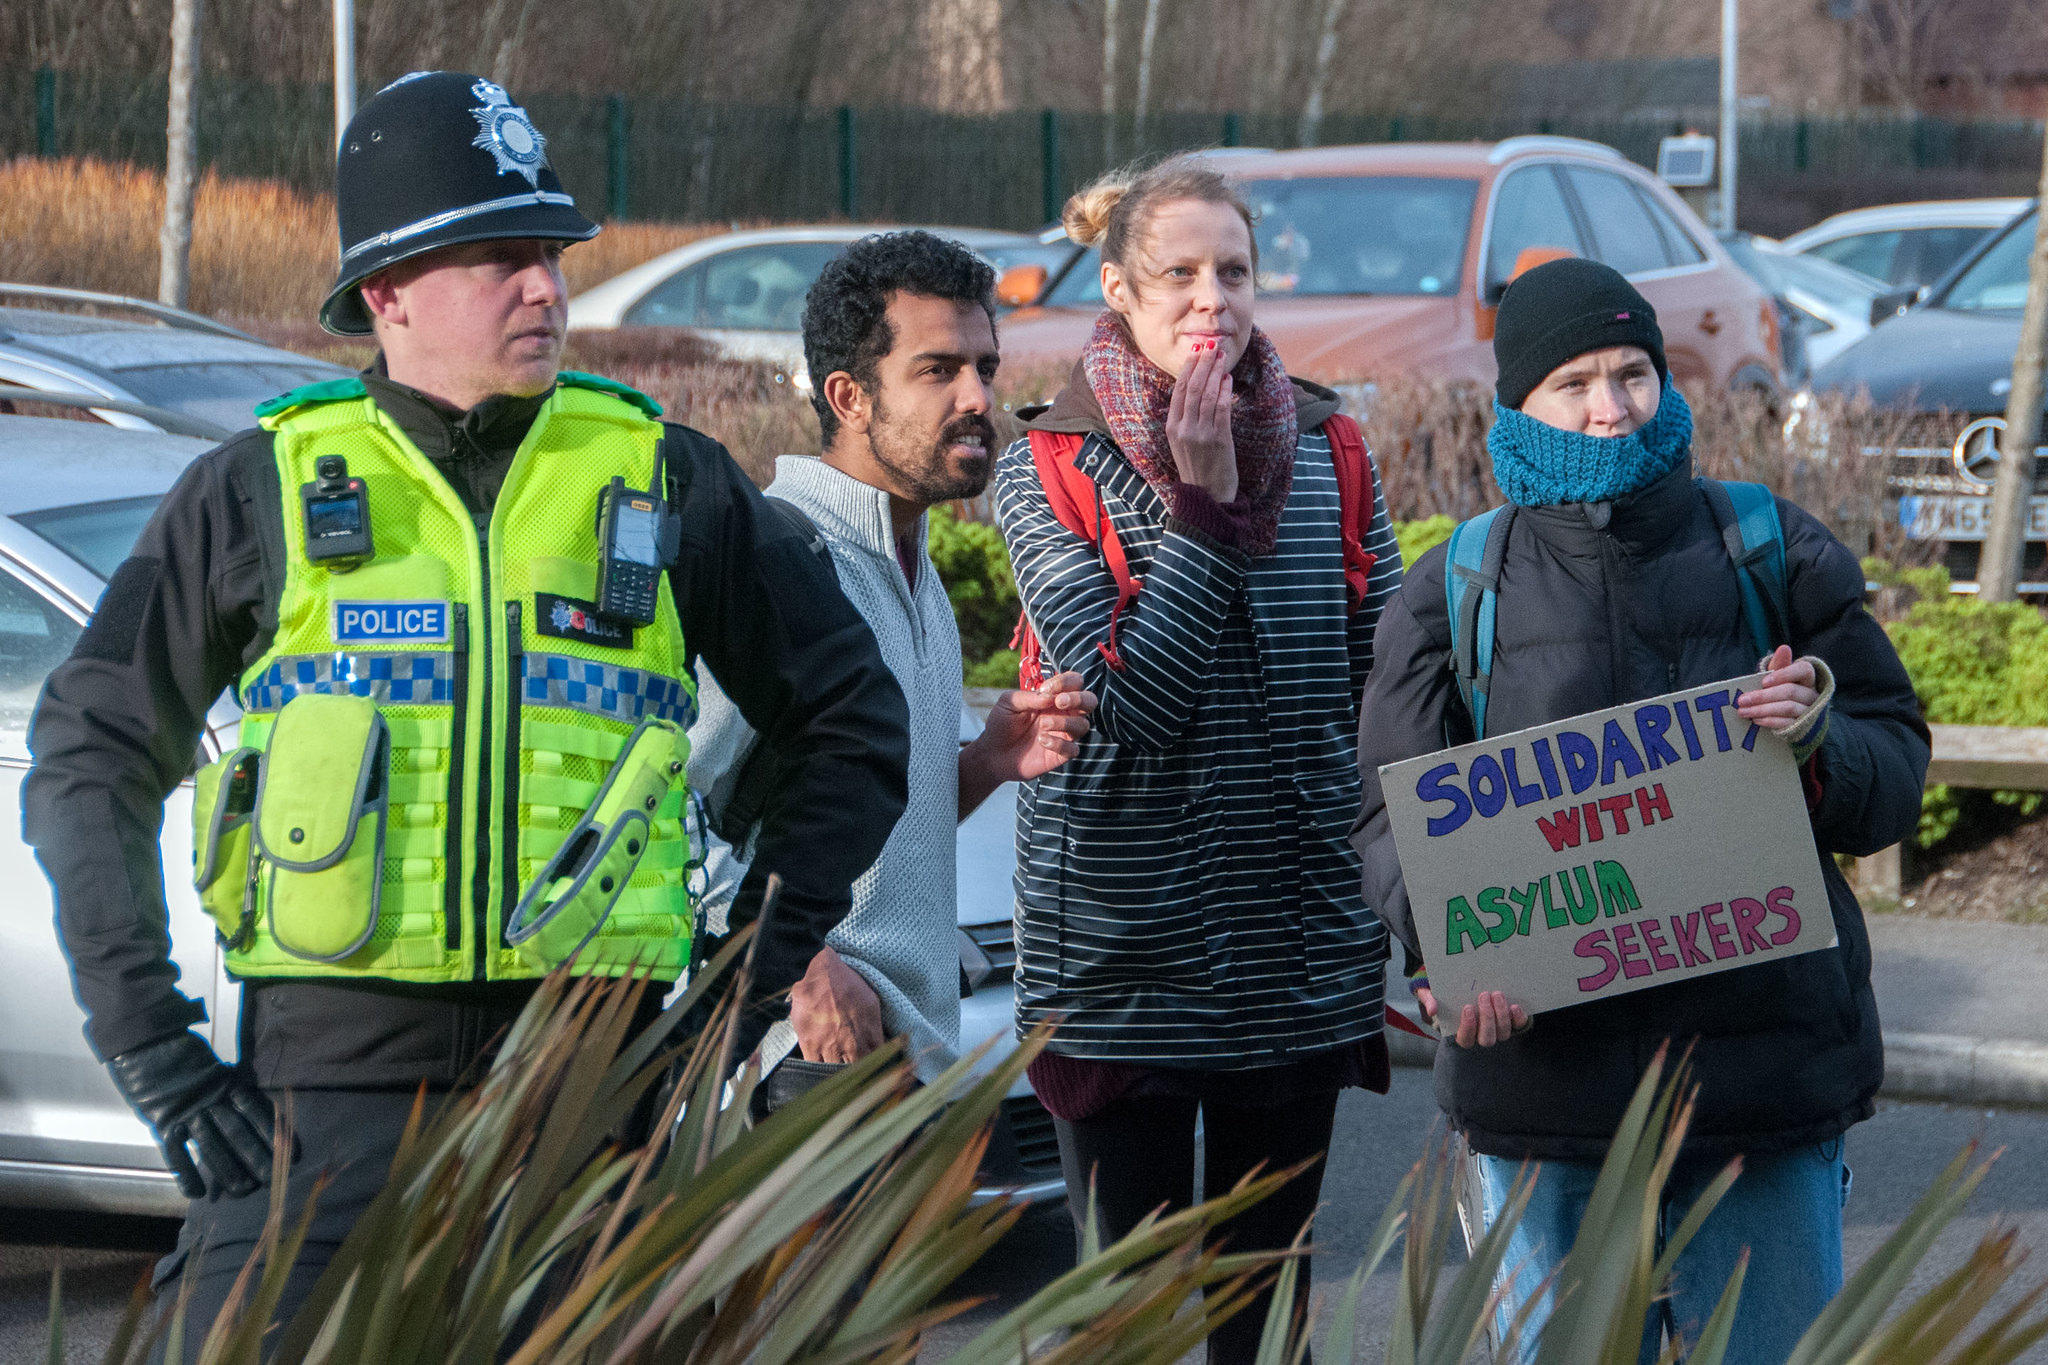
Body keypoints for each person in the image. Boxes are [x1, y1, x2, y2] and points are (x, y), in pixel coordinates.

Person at [23, 71, 909, 1353]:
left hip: (590, 1093)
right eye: (502, 259)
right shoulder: (258, 491)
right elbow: (85, 757)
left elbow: (854, 721)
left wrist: (743, 981)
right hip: (325, 1099)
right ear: (385, 293)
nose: (547, 286)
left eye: (549, 254)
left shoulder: (665, 478)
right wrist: (149, 1040)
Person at [1351, 257, 1930, 1363]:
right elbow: (1387, 814)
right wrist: (1445, 951)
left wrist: (1818, 738)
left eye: (1631, 374)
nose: (1609, 408)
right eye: (1571, 383)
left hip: (1758, 1097)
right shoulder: (1452, 591)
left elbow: (1893, 764)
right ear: (1514, 403)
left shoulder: (1768, 547)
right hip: (1543, 1102)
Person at [992, 157, 1403, 1365]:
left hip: (1295, 947)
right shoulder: (1050, 463)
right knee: (1120, 1321)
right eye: (1177, 274)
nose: (1208, 298)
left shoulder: (1333, 447)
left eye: (1233, 270)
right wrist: (1209, 510)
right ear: (1117, 289)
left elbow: (1380, 694)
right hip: (1125, 963)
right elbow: (1135, 705)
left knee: (1264, 1316)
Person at [687, 230, 1095, 1104]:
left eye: (985, 367)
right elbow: (675, 816)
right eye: (938, 369)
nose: (978, 397)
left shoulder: (917, 567)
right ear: (849, 396)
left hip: (909, 1061)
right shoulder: (781, 561)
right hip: (804, 1062)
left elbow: (863, 821)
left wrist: (987, 762)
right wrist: (807, 967)